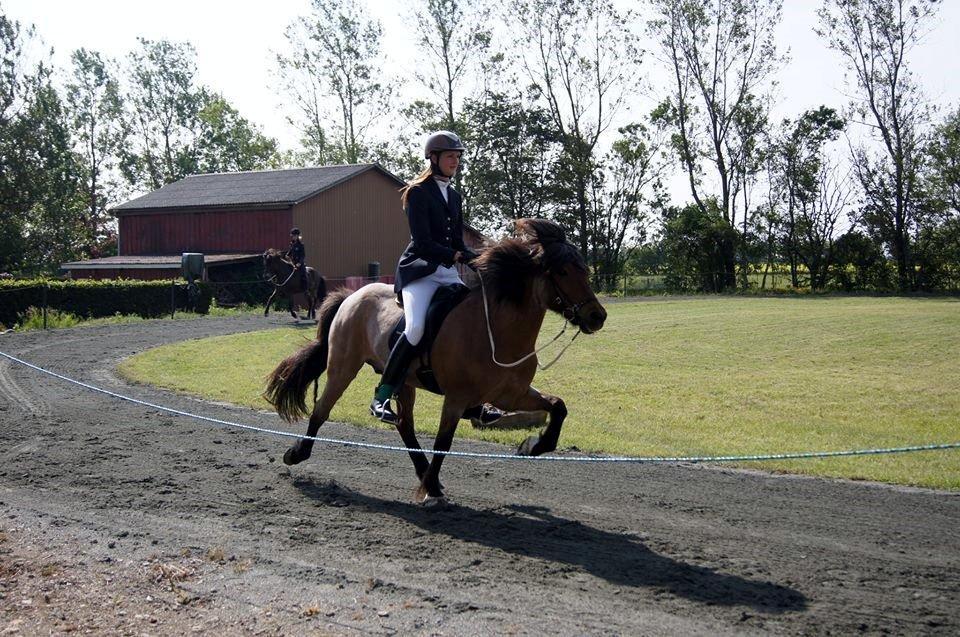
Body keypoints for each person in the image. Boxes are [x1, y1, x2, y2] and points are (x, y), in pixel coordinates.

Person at [370, 130, 478, 423]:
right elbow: (422, 241)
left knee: (471, 322)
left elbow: (456, 239)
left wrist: (474, 257)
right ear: (434, 158)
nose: (455, 161)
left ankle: (473, 399)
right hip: (420, 271)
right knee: (415, 328)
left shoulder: (454, 196)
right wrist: (455, 256)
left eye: (458, 157)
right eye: (450, 156)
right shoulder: (417, 192)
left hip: (446, 273)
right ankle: (381, 396)